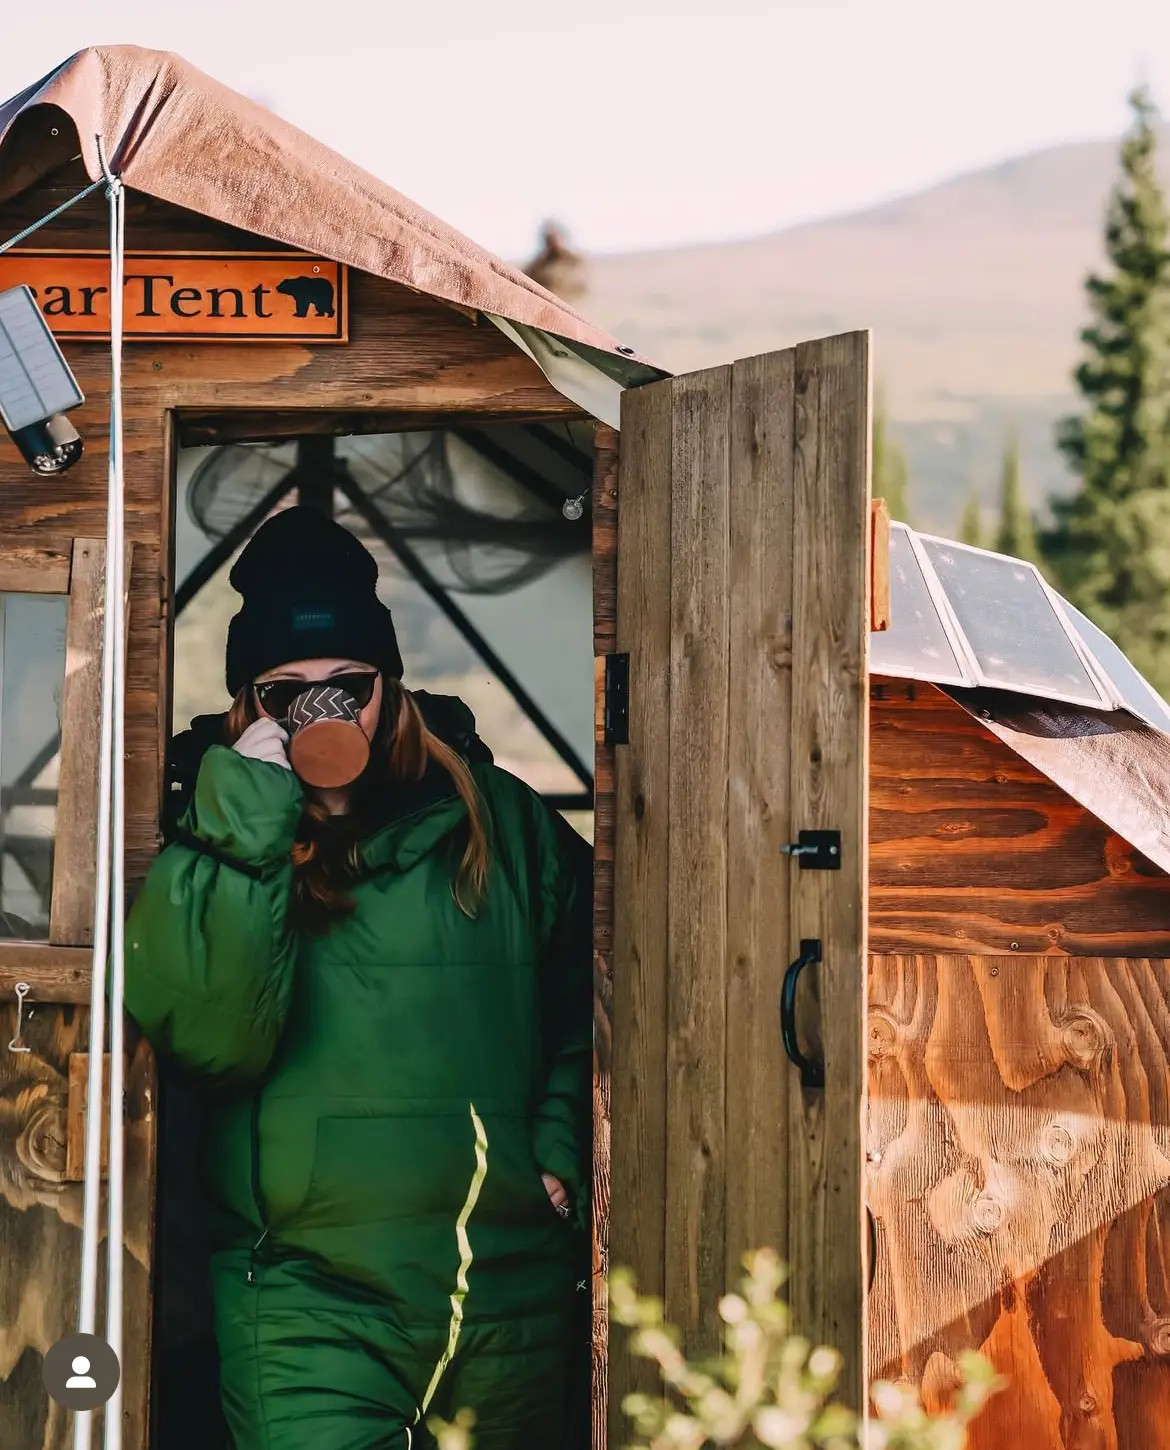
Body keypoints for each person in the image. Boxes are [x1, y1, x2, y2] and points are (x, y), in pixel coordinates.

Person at [125, 507, 593, 1450]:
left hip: (501, 1279)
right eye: (284, 690)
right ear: (246, 702)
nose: (322, 710)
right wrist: (248, 815)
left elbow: (610, 987)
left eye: (348, 684)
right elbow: (210, 1042)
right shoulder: (206, 830)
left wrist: (560, 1129)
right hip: (304, 1292)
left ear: (391, 686)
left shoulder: (498, 821)